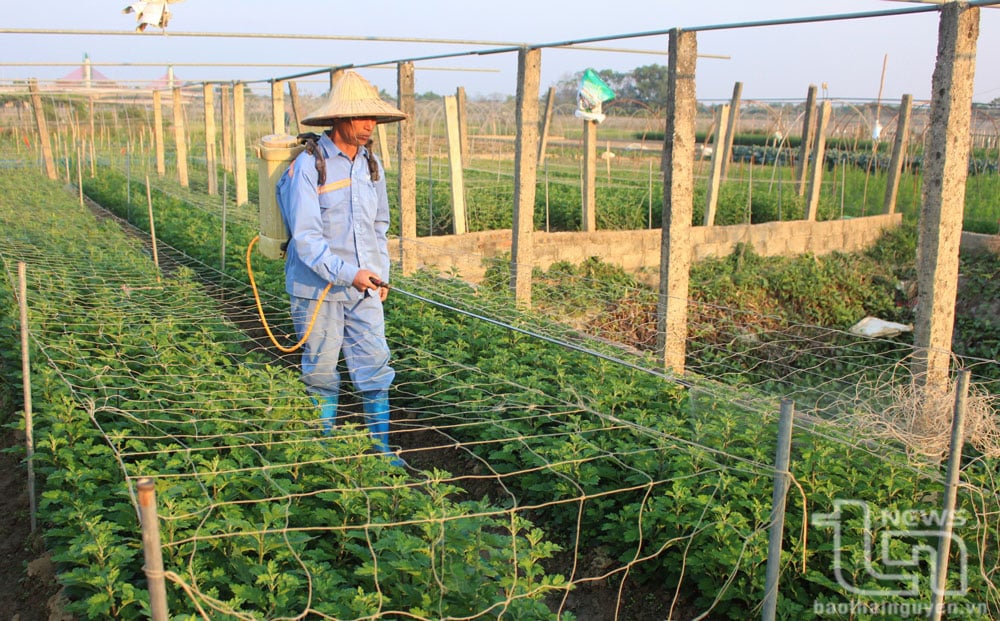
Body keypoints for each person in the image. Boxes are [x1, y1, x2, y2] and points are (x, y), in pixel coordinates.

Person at [275, 71, 406, 466]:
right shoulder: (308, 167)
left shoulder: (372, 166)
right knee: (321, 370)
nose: (370, 126)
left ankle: (382, 450)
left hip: (364, 288)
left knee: (375, 364)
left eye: (375, 119)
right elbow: (307, 239)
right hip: (317, 290)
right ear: (338, 119)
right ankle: (323, 450)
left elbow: (379, 225)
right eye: (361, 118)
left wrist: (379, 272)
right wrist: (350, 272)